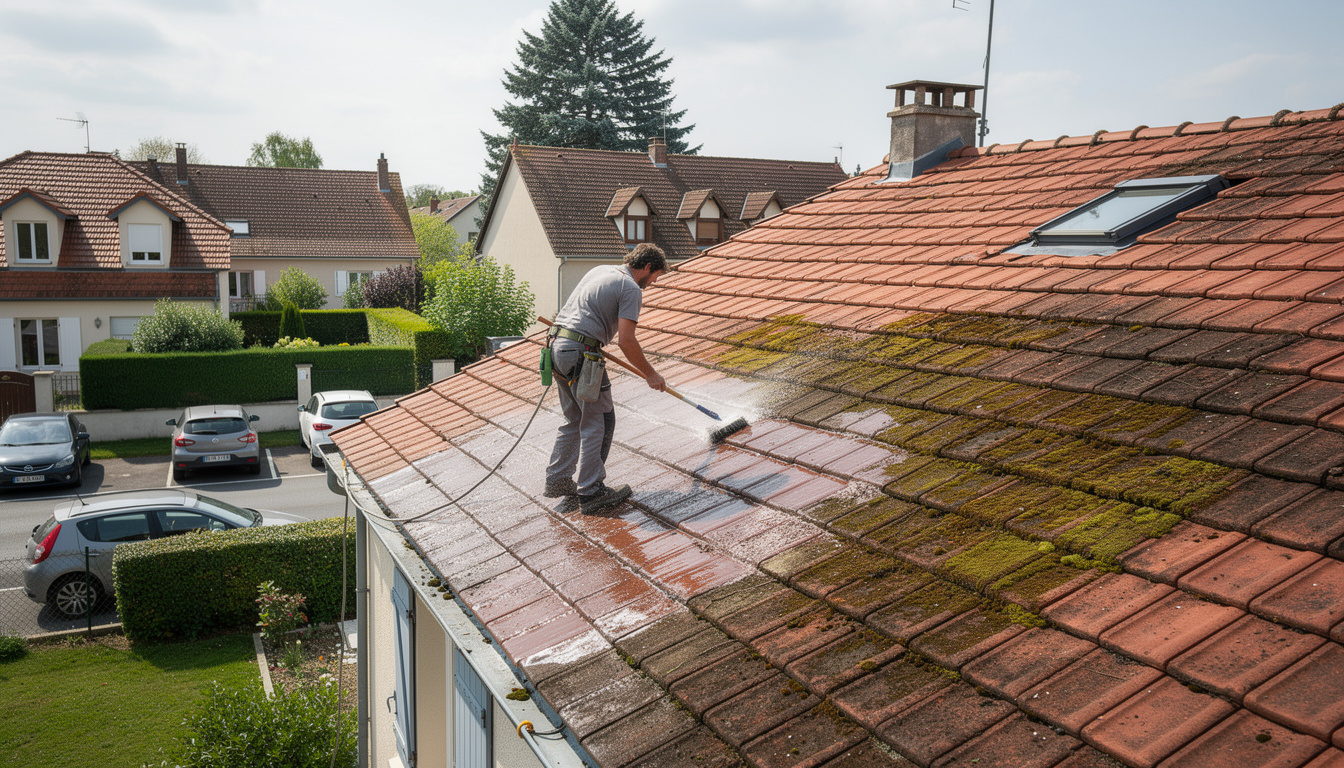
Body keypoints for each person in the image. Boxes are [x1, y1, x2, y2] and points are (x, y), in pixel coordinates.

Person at [544, 243, 667, 513]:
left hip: (556, 348)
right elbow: (626, 340)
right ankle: (591, 491)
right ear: (647, 267)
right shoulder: (631, 288)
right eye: (656, 275)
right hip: (580, 353)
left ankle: (558, 480)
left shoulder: (601, 270)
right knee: (599, 419)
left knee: (574, 419)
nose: (654, 282)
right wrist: (651, 374)